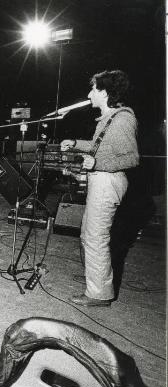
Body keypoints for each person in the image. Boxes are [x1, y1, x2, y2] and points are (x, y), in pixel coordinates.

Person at [60, 70, 139, 307]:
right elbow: (98, 147)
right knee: (88, 234)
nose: (89, 94)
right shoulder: (110, 117)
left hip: (108, 181)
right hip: (102, 180)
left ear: (104, 92)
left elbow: (132, 157)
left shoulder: (123, 119)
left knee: (96, 237)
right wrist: (75, 144)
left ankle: (98, 294)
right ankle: (95, 279)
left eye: (93, 89)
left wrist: (97, 162)